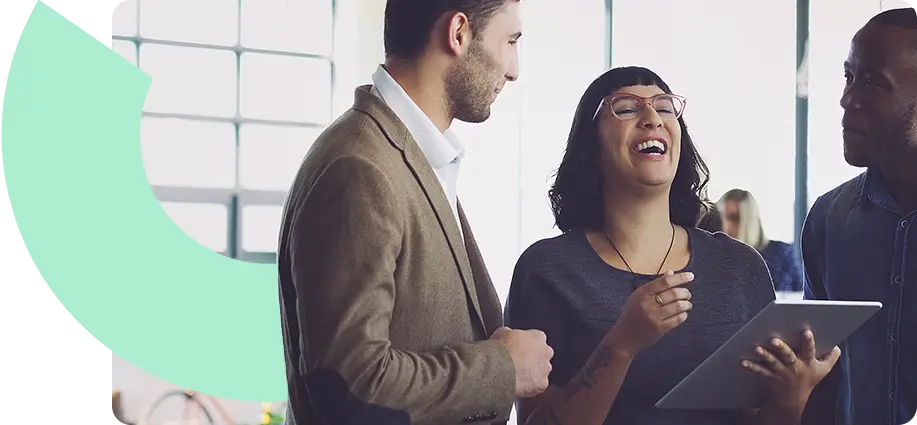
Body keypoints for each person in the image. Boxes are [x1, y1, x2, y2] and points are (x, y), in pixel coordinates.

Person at [503, 66, 840, 425]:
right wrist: (622, 343)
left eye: (665, 108)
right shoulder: (546, 269)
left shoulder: (740, 267)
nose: (652, 118)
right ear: (593, 145)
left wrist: (790, 401)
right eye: (627, 108)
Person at [275, 1, 554, 424]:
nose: (514, 69)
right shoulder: (359, 168)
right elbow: (352, 387)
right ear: (458, 34)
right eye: (510, 41)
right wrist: (503, 369)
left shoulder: (411, 155)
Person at [800, 8, 917, 425]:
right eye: (849, 77)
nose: (848, 99)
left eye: (872, 82)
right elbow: (821, 376)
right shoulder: (828, 219)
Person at [718, 189, 805, 293]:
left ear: (750, 221)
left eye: (734, 218)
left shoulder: (780, 254)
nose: (726, 226)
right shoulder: (715, 259)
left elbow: (799, 297)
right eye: (721, 218)